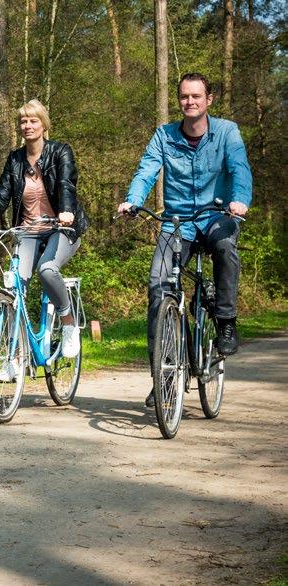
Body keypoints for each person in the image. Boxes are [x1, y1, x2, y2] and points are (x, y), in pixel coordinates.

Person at [117, 72, 252, 406]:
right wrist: (133, 200)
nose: (189, 102)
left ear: (209, 100)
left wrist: (239, 200)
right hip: (177, 223)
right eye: (184, 96)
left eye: (196, 96)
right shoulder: (164, 135)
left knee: (225, 247)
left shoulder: (227, 132)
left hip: (218, 215)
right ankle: (163, 377)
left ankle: (226, 321)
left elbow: (239, 169)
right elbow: (147, 169)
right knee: (158, 285)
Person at [0, 99, 89, 367]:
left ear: (44, 125)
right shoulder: (15, 159)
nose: (28, 126)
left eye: (33, 121)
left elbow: (66, 184)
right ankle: (13, 359)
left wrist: (66, 211)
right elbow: (2, 194)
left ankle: (68, 323)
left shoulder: (60, 152)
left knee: (47, 270)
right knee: (14, 288)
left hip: (61, 228)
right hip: (28, 231)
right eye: (23, 121)